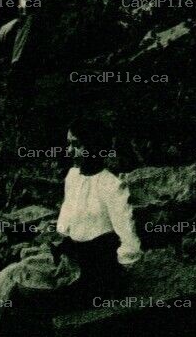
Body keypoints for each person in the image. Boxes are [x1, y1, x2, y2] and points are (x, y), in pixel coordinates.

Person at [52, 116, 142, 304]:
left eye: (76, 145)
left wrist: (120, 275)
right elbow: (66, 221)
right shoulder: (72, 177)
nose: (69, 151)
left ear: (93, 148)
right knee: (18, 274)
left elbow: (127, 237)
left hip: (98, 264)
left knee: (44, 300)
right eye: (68, 144)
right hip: (74, 256)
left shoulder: (111, 185)